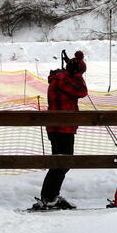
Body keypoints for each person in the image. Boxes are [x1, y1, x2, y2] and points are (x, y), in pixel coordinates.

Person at [34, 50, 88, 210]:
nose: (81, 75)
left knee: (61, 162)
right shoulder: (62, 80)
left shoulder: (62, 78)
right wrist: (77, 75)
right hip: (61, 127)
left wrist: (76, 73)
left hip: (63, 127)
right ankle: (49, 197)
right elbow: (82, 92)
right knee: (61, 163)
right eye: (80, 72)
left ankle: (50, 196)